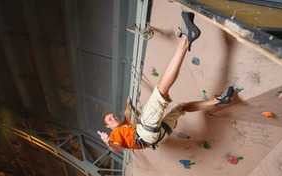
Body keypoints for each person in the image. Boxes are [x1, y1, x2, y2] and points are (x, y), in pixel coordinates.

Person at [98, 11, 236, 153]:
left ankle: (219, 100)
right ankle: (187, 37)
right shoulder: (114, 135)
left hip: (158, 136)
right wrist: (109, 144)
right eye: (109, 120)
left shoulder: (124, 126)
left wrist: (128, 104)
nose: (113, 118)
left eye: (112, 116)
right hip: (145, 133)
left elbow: (127, 114)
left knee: (181, 107)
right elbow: (116, 149)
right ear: (108, 127)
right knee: (160, 91)